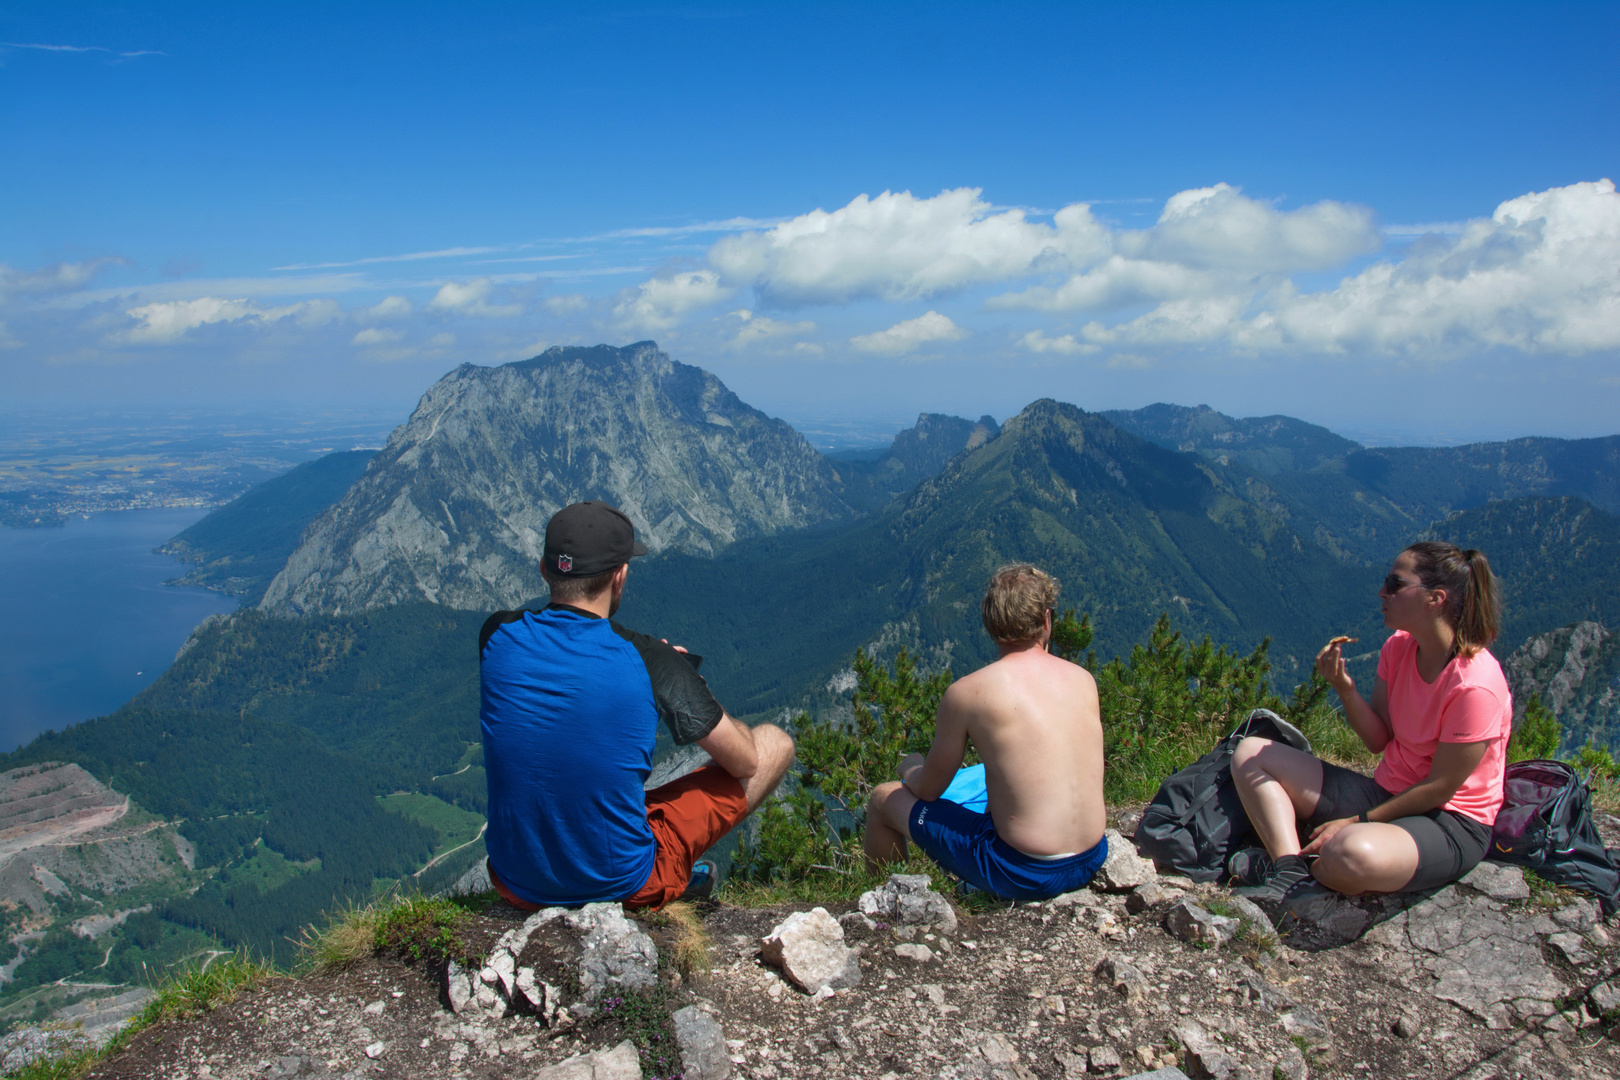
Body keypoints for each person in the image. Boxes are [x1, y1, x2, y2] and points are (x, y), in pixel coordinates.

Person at [479, 500, 795, 910]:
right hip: (622, 884)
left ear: (545, 569)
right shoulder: (650, 661)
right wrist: (685, 682)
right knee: (773, 743)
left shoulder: (495, 635)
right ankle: (671, 875)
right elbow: (744, 762)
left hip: (515, 881)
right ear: (620, 576)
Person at [1229, 541, 1512, 904]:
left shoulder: (1475, 685)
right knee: (1251, 753)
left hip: (1450, 821)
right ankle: (1288, 871)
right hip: (1388, 792)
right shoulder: (1399, 648)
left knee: (1350, 853)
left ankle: (1309, 867)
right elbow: (1379, 739)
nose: (1382, 592)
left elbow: (1440, 787)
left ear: (1435, 598)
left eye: (1395, 584)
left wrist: (1356, 821)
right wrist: (1344, 688)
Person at [863, 564, 1108, 900]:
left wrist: (909, 767)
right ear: (1047, 620)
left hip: (1021, 871)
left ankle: (881, 905)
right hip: (1091, 857)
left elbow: (929, 790)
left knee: (881, 799)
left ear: (991, 625)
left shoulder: (968, 693)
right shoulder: (1084, 680)